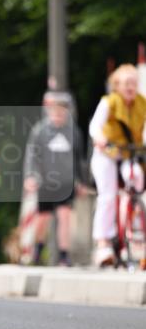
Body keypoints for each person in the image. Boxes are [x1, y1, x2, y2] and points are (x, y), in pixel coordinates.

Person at [88, 63, 146, 267]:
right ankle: (103, 243)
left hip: (129, 152)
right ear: (117, 85)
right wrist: (100, 138)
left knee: (137, 178)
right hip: (107, 153)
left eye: (134, 83)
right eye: (126, 83)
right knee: (108, 194)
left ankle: (135, 225)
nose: (131, 87)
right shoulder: (109, 102)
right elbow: (95, 126)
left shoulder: (142, 103)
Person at [23, 91, 86, 266]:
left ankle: (64, 255)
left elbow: (79, 159)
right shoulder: (40, 130)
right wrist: (31, 176)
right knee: (43, 218)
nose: (57, 115)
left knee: (64, 216)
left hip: (66, 182)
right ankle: (38, 248)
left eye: (61, 112)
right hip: (46, 181)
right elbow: (32, 156)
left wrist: (81, 182)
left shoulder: (73, 132)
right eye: (54, 111)